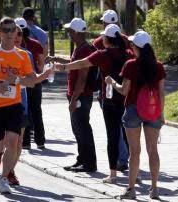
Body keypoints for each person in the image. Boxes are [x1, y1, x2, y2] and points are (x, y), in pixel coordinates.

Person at [55, 24, 133, 182]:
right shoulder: (128, 54)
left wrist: (64, 67)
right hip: (127, 99)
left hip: (110, 101)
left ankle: (112, 174)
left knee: (113, 136)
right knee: (130, 138)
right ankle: (134, 172)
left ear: (106, 39)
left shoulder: (104, 54)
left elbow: (82, 63)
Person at [0, 17, 39, 194]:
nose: (10, 34)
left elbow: (32, 81)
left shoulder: (23, 55)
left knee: (13, 142)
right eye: (6, 30)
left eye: (13, 30)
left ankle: (3, 179)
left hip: (14, 105)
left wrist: (17, 80)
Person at [105, 30, 165, 199]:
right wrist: (161, 114)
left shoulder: (131, 65)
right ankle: (154, 189)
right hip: (152, 111)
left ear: (136, 47)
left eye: (132, 44)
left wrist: (112, 82)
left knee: (134, 151)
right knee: (153, 150)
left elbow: (124, 91)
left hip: (132, 109)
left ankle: (131, 189)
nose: (130, 46)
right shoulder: (158, 66)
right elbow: (161, 93)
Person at [47, 18, 97, 172]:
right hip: (78, 95)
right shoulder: (81, 48)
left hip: (81, 96)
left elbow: (82, 78)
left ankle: (89, 163)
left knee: (82, 129)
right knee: (78, 129)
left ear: (75, 32)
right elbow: (73, 62)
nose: (68, 34)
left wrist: (74, 99)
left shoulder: (85, 49)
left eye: (69, 31)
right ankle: (81, 159)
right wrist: (56, 59)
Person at [93, 9, 130, 172]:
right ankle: (126, 157)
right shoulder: (127, 42)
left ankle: (120, 161)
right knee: (125, 128)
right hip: (126, 91)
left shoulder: (99, 42)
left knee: (113, 131)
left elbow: (89, 64)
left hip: (108, 91)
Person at [15, 17, 46, 149]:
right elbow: (41, 63)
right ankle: (40, 141)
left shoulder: (17, 49)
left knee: (25, 111)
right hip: (34, 81)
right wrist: (39, 71)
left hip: (25, 82)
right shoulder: (35, 43)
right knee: (36, 110)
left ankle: (26, 142)